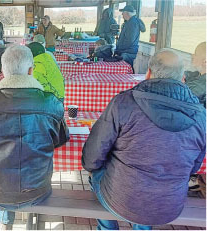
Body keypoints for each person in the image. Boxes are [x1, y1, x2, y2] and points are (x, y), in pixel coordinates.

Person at [82, 48, 206, 230]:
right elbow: (195, 166)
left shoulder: (124, 103)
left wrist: (94, 169)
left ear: (148, 73)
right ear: (183, 78)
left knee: (95, 175)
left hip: (121, 199)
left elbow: (93, 156)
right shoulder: (201, 115)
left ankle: (108, 228)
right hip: (170, 205)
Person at [0, 45, 69, 230]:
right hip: (38, 189)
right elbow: (61, 139)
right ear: (31, 70)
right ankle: (5, 221)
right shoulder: (51, 103)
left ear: (3, 72)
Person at [115, 5, 145, 69]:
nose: (122, 14)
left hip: (127, 52)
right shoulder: (130, 22)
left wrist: (119, 49)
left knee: (126, 71)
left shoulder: (132, 23)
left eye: (123, 13)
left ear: (127, 13)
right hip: (127, 51)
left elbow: (130, 40)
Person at [185, 42, 206, 107]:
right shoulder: (197, 74)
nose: (192, 56)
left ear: (205, 61)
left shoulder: (201, 85)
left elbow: (183, 94)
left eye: (196, 54)